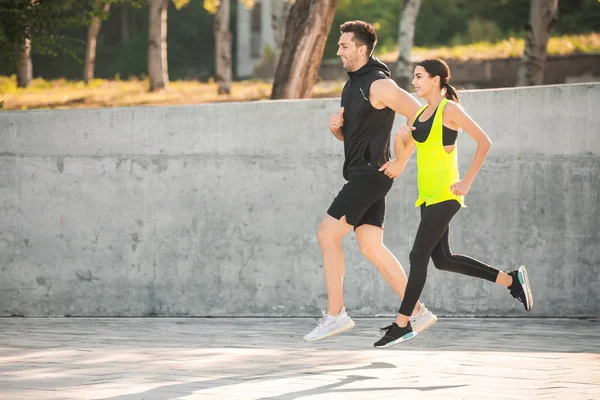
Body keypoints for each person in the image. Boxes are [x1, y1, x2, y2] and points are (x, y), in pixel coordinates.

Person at [374, 58, 534, 348]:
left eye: (420, 77)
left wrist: (467, 182)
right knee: (443, 259)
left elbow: (484, 142)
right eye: (414, 77)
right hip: (427, 196)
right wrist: (401, 138)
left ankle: (402, 323)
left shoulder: (450, 110)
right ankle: (512, 281)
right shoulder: (420, 114)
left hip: (447, 195)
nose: (415, 82)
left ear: (436, 79)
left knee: (417, 256)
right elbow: (403, 153)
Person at [303, 21, 438, 343]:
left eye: (344, 46)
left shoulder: (378, 83)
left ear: (362, 49)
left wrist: (402, 159)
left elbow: (420, 112)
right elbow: (357, 137)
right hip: (363, 174)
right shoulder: (353, 85)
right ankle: (417, 311)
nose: (338, 51)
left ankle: (336, 314)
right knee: (371, 247)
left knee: (327, 234)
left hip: (369, 176)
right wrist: (339, 132)